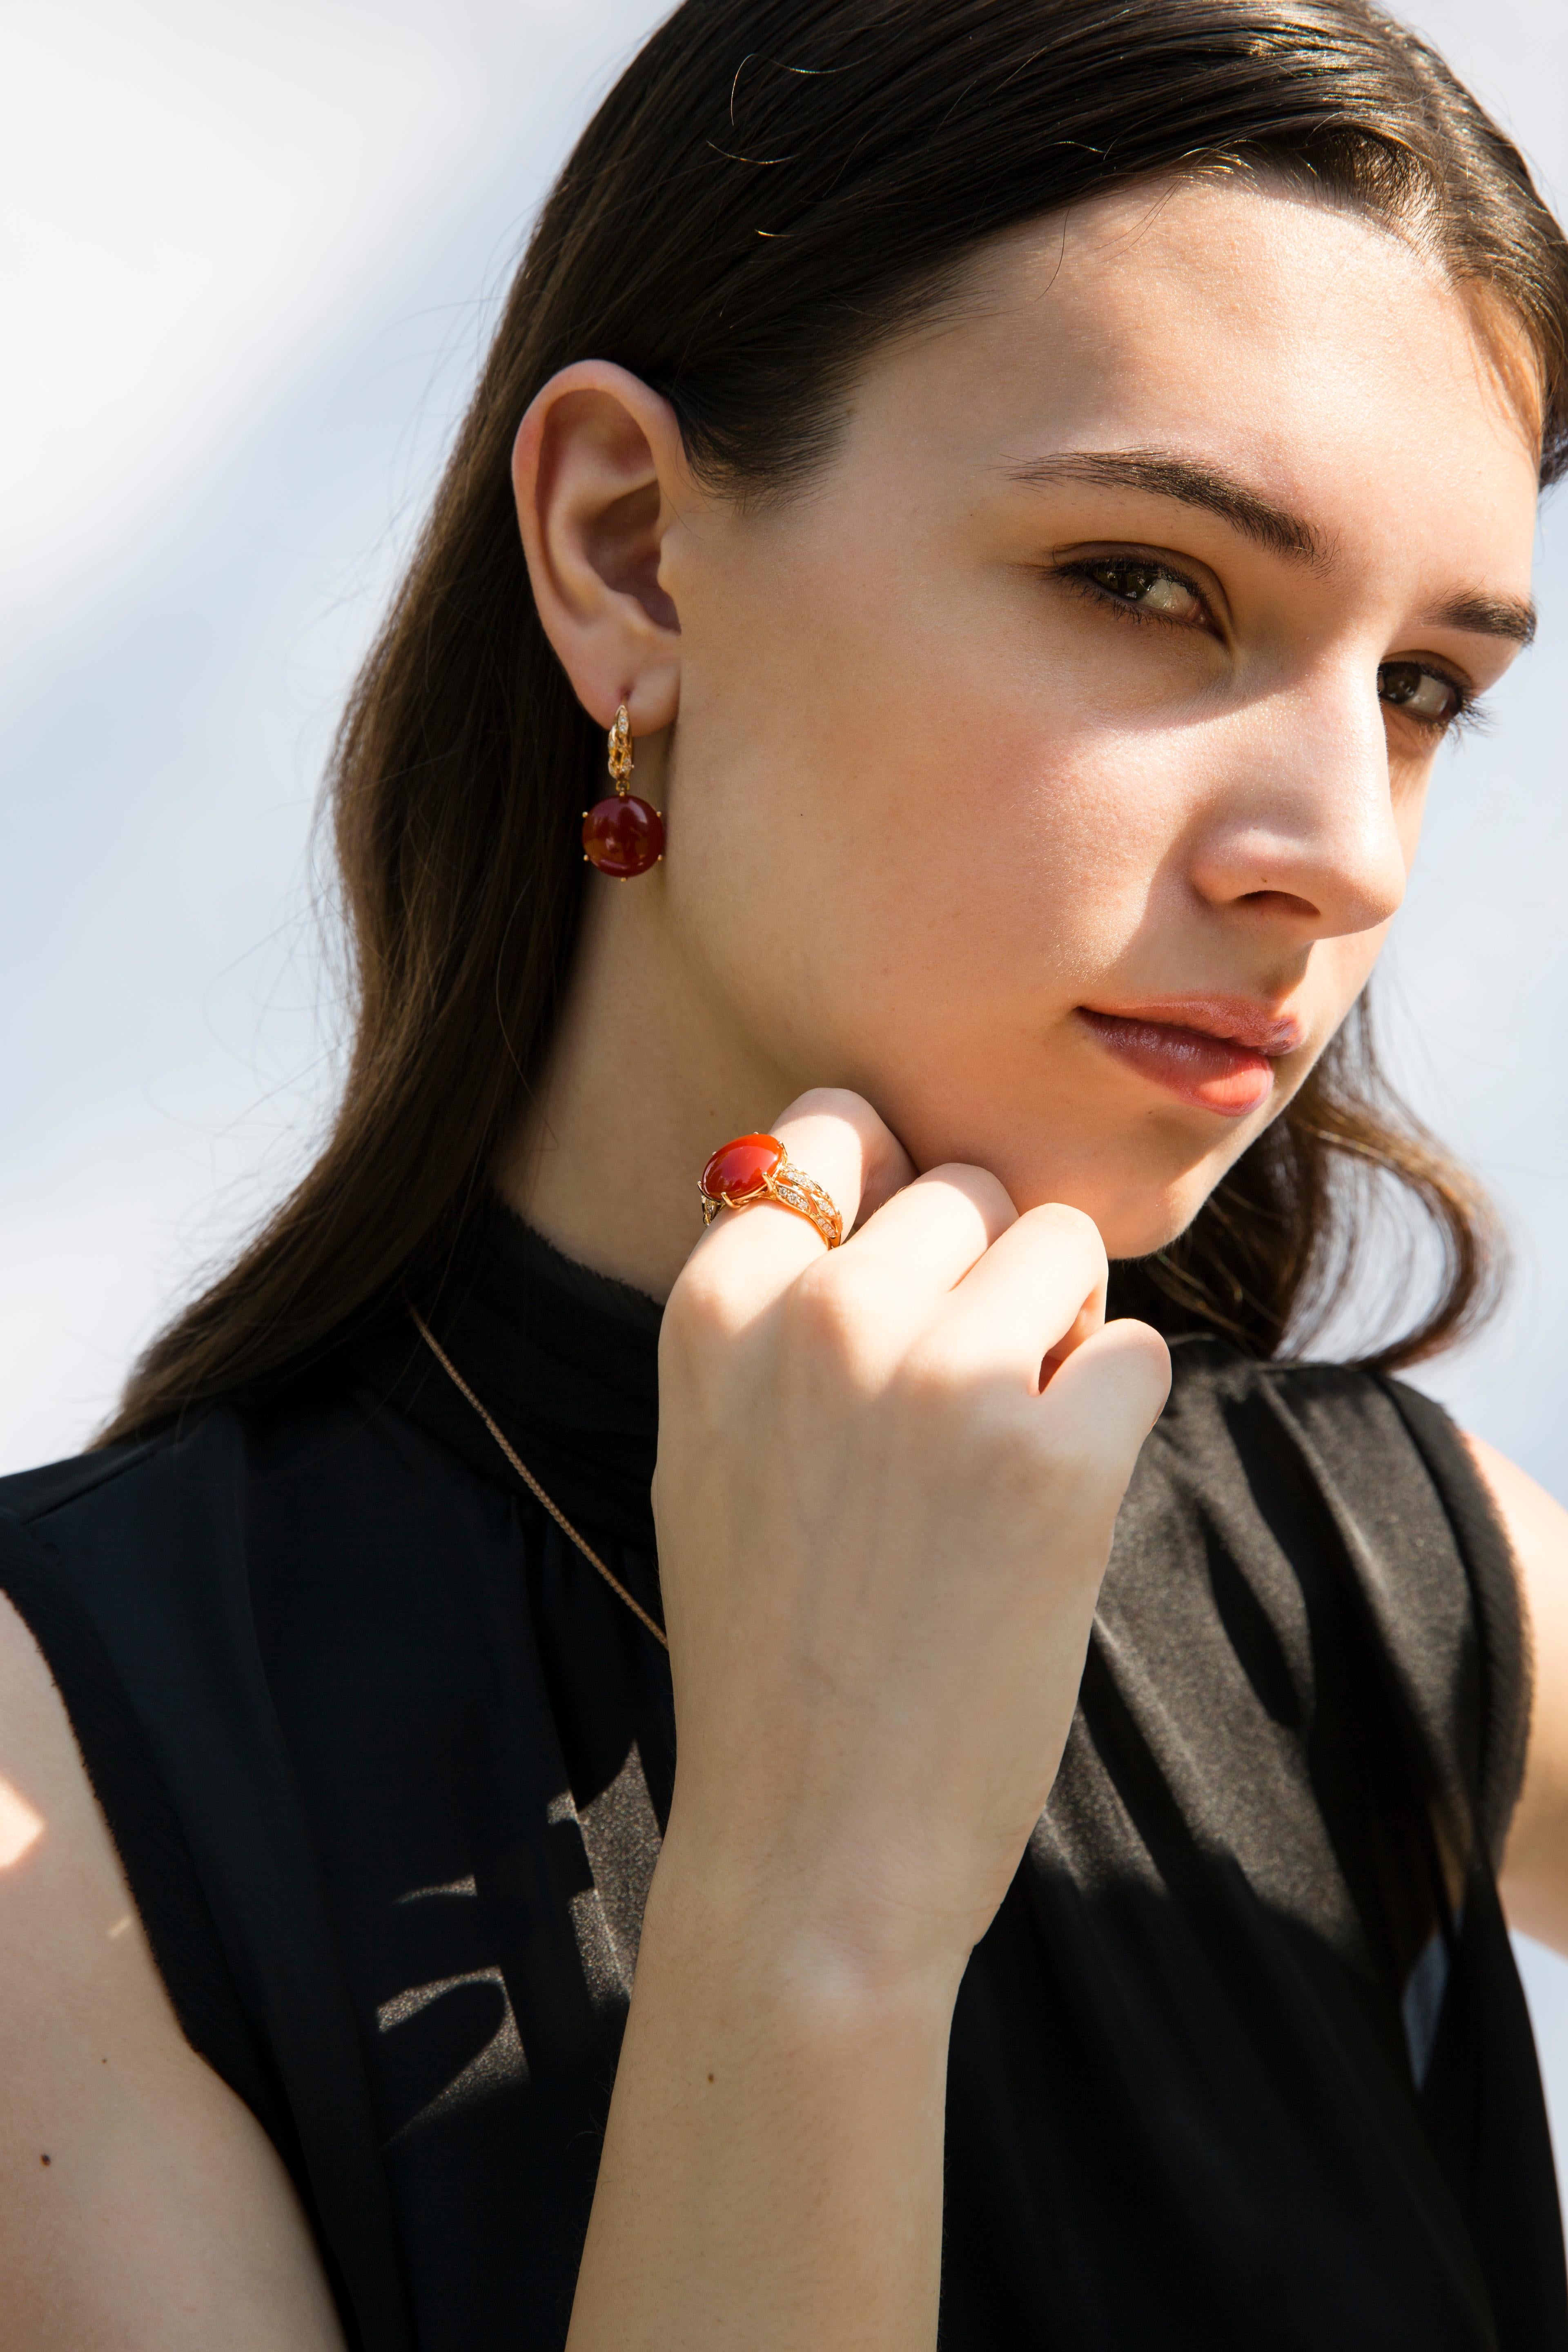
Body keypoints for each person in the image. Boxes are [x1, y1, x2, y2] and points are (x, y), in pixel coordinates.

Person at [3, 0, 1567, 2344]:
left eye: (1427, 685)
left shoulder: (1384, 1562)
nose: (1343, 852)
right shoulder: (63, 1782)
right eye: (1149, 583)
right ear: (630, 554)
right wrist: (811, 1910)